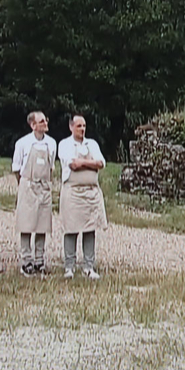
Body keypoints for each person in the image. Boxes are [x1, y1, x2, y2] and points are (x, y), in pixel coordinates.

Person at [58, 114, 107, 280]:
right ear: (71, 127)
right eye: (79, 126)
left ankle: (89, 266)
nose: (82, 129)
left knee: (90, 229)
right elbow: (73, 164)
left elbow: (101, 163)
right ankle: (69, 267)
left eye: (84, 126)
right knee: (71, 229)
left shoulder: (92, 144)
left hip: (91, 193)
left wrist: (83, 163)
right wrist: (91, 164)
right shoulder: (64, 144)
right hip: (73, 192)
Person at [12, 112, 56, 275]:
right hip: (28, 185)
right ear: (33, 125)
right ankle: (26, 260)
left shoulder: (51, 143)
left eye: (46, 120)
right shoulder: (22, 143)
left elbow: (51, 167)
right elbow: (16, 168)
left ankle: (39, 260)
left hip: (44, 186)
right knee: (26, 223)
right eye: (42, 121)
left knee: (42, 224)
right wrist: (24, 184)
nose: (45, 123)